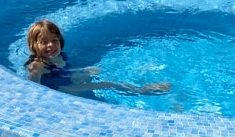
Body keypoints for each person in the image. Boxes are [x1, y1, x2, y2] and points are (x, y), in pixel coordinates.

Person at [24, 19, 172, 97]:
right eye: (44, 42)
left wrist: (82, 71)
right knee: (109, 84)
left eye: (54, 40)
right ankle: (142, 90)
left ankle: (91, 95)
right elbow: (31, 84)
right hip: (63, 89)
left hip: (62, 80)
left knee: (93, 71)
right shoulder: (39, 64)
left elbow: (59, 72)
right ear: (33, 45)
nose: (50, 45)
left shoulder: (57, 57)